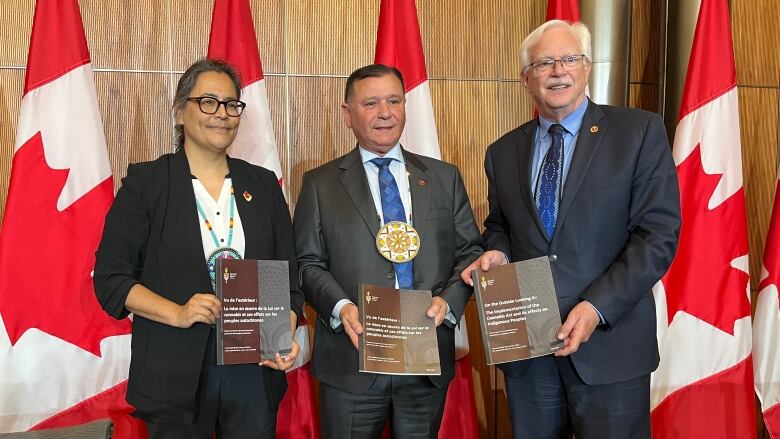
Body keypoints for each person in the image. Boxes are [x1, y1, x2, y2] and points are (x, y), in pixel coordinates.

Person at [461, 20, 681, 439]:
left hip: (609, 348)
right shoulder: (503, 151)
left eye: (569, 59)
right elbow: (500, 226)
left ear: (587, 67)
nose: (557, 70)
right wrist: (498, 253)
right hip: (528, 351)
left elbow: (657, 235)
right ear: (526, 79)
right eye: (544, 63)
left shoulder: (638, 132)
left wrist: (596, 307)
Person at [94, 59, 303, 439]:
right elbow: (111, 279)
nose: (221, 114)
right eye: (208, 102)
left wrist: (283, 333)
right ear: (180, 110)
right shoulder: (147, 183)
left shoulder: (264, 184)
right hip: (173, 369)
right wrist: (177, 313)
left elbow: (289, 279)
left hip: (253, 370)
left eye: (231, 104)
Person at [294, 64, 483, 439]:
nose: (385, 112)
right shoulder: (321, 184)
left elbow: (470, 254)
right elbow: (306, 263)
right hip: (352, 359)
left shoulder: (444, 177)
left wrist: (448, 303)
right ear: (348, 115)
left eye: (394, 100)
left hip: (424, 356)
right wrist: (340, 307)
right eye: (371, 103)